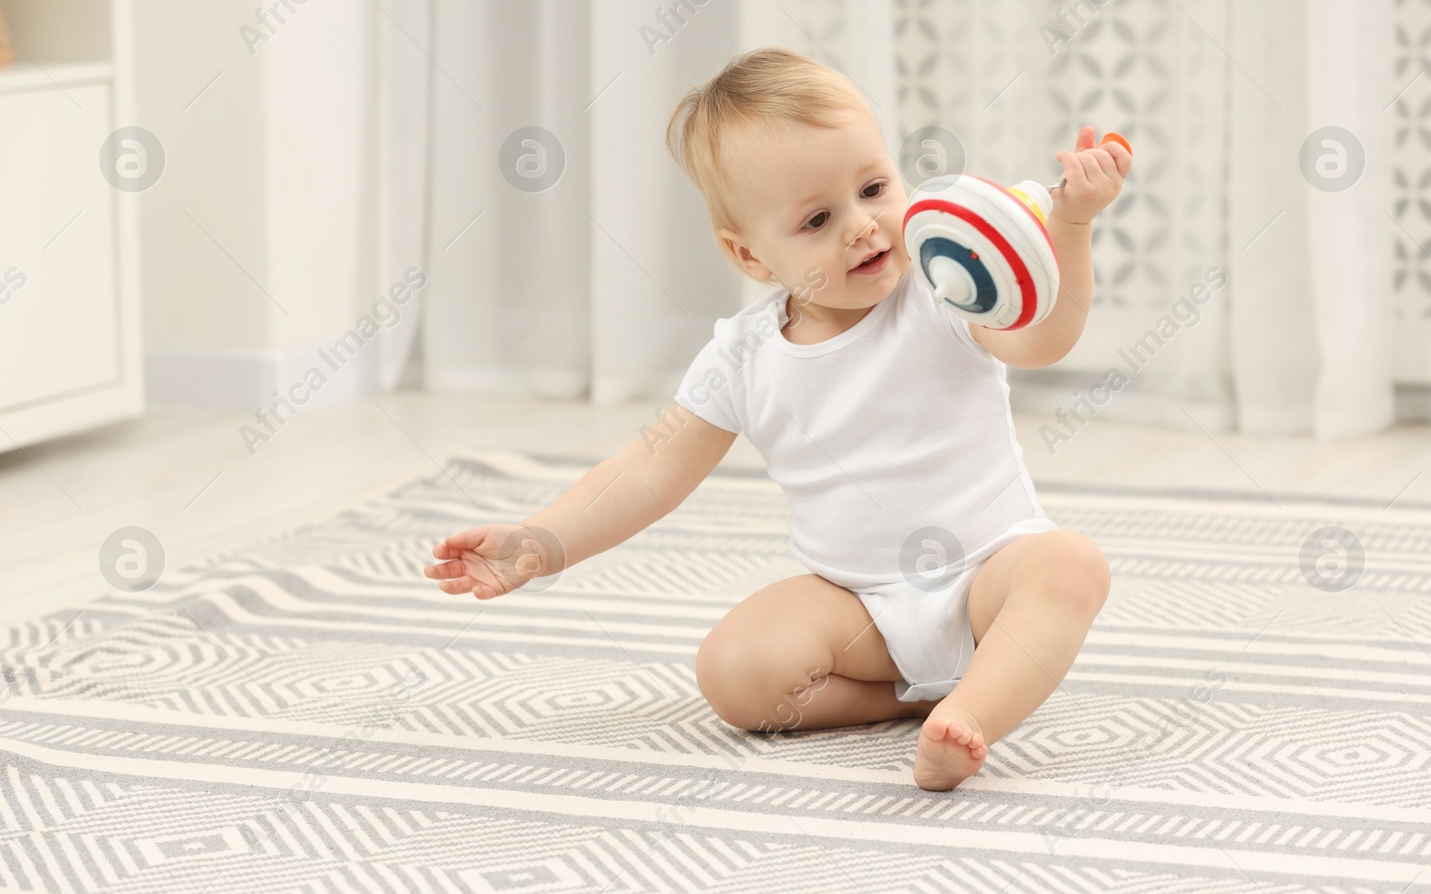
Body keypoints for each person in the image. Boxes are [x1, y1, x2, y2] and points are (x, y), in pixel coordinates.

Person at [425, 46, 1132, 791]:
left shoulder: (939, 287)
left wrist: (1072, 228)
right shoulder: (745, 356)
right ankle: (903, 698)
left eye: (873, 187)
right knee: (732, 669)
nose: (863, 226)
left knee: (1071, 564)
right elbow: (647, 471)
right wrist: (544, 540)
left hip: (994, 574)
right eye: (819, 218)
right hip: (859, 611)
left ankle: (972, 715)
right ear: (750, 253)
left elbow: (1042, 338)